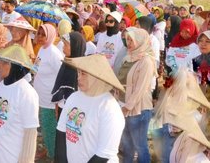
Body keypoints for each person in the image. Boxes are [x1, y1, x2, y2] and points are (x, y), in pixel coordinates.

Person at [55, 54, 125, 162]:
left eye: (83, 74)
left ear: (97, 77)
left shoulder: (109, 108)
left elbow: (103, 155)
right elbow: (61, 131)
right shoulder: (74, 97)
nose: (78, 78)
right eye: (78, 72)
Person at [0, 45, 39, 163]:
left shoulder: (26, 93)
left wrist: (26, 161)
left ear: (15, 66)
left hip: (15, 157)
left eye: (5, 63)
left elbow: (30, 132)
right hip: (0, 155)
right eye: (0, 62)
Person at [120, 28, 156, 163]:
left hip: (138, 110)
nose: (128, 43)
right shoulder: (128, 57)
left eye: (132, 40)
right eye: (127, 39)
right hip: (124, 107)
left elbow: (140, 89)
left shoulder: (146, 61)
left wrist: (127, 107)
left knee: (140, 147)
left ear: (140, 42)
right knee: (127, 146)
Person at [33, 24, 64, 161]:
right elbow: (36, 68)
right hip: (40, 97)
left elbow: (62, 77)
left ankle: (53, 156)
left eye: (42, 34)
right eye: (38, 34)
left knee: (49, 129)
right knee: (45, 128)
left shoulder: (54, 53)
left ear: (50, 35)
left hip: (50, 100)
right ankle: (48, 149)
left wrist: (58, 101)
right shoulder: (42, 49)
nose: (39, 37)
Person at [51, 32, 87, 112]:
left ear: (75, 47)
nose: (63, 47)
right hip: (62, 106)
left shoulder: (82, 69)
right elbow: (60, 84)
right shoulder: (66, 62)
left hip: (75, 110)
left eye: (66, 45)